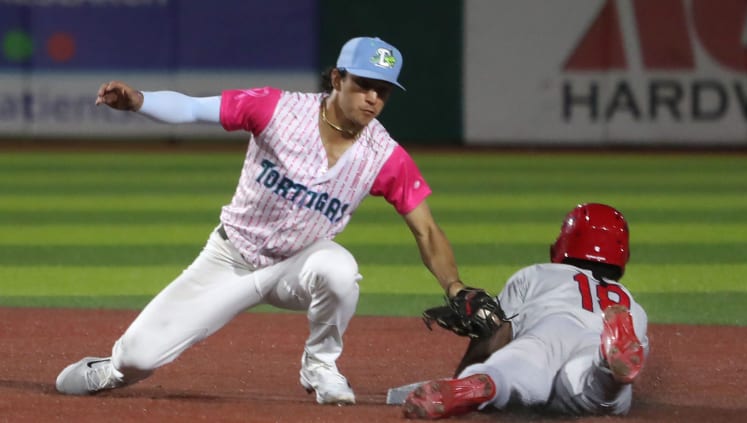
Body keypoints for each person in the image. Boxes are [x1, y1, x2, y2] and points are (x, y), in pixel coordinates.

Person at [55, 36, 476, 405]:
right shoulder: (276, 109)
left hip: (298, 266)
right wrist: (140, 102)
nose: (372, 98)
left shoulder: (385, 155)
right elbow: (194, 109)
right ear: (336, 79)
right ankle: (112, 368)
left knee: (340, 270)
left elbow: (426, 229)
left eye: (383, 91)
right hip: (229, 259)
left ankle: (321, 366)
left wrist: (455, 287)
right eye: (363, 84)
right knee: (138, 358)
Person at [403, 203, 649, 419]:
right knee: (594, 393)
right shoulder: (630, 305)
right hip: (596, 340)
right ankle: (606, 371)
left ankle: (479, 384)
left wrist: (464, 372)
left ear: (564, 242)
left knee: (511, 370)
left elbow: (495, 330)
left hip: (546, 332)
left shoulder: (537, 274)